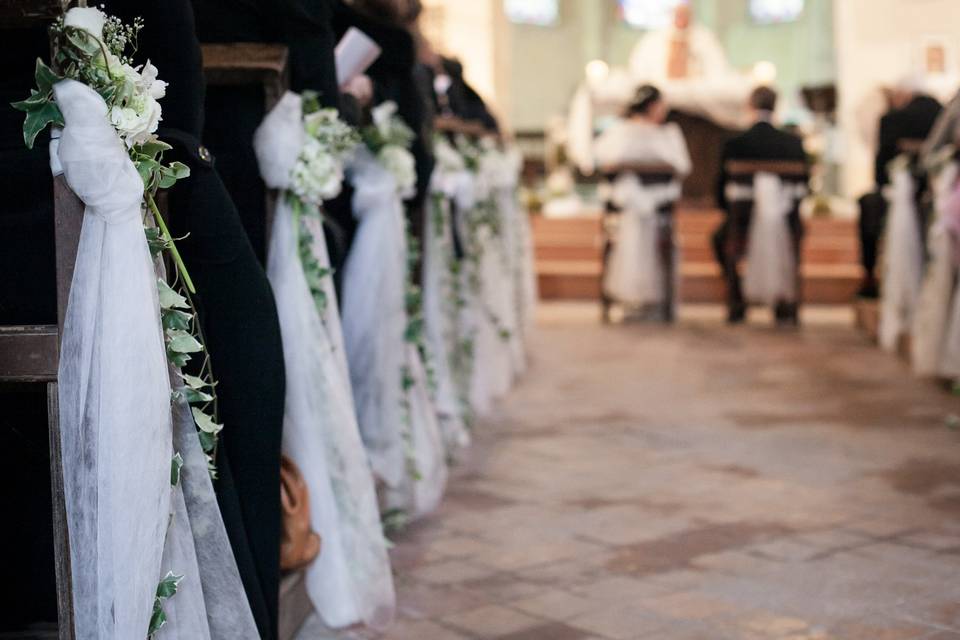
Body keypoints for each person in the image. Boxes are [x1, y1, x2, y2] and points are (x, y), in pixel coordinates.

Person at [712, 86, 807, 324]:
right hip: (786, 221)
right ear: (775, 106)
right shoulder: (792, 143)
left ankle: (737, 299)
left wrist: (732, 212)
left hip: (741, 222)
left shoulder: (735, 143)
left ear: (750, 105)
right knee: (793, 231)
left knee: (719, 238)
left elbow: (720, 189)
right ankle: (784, 304)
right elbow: (803, 187)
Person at [857, 77, 942, 298]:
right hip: (940, 196)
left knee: (868, 205)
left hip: (899, 195)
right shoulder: (943, 112)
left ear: (902, 95)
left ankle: (869, 279)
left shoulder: (892, 119)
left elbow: (880, 170)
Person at [594, 84, 691, 175]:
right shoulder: (621, 130)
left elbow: (683, 166)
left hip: (666, 191)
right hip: (627, 191)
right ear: (651, 106)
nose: (664, 109)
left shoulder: (668, 132)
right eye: (660, 105)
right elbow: (600, 162)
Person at [629, 1, 729, 83]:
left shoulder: (706, 39)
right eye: (678, 15)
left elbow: (718, 71)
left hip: (696, 98)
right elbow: (639, 70)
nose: (681, 18)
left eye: (685, 14)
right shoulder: (652, 40)